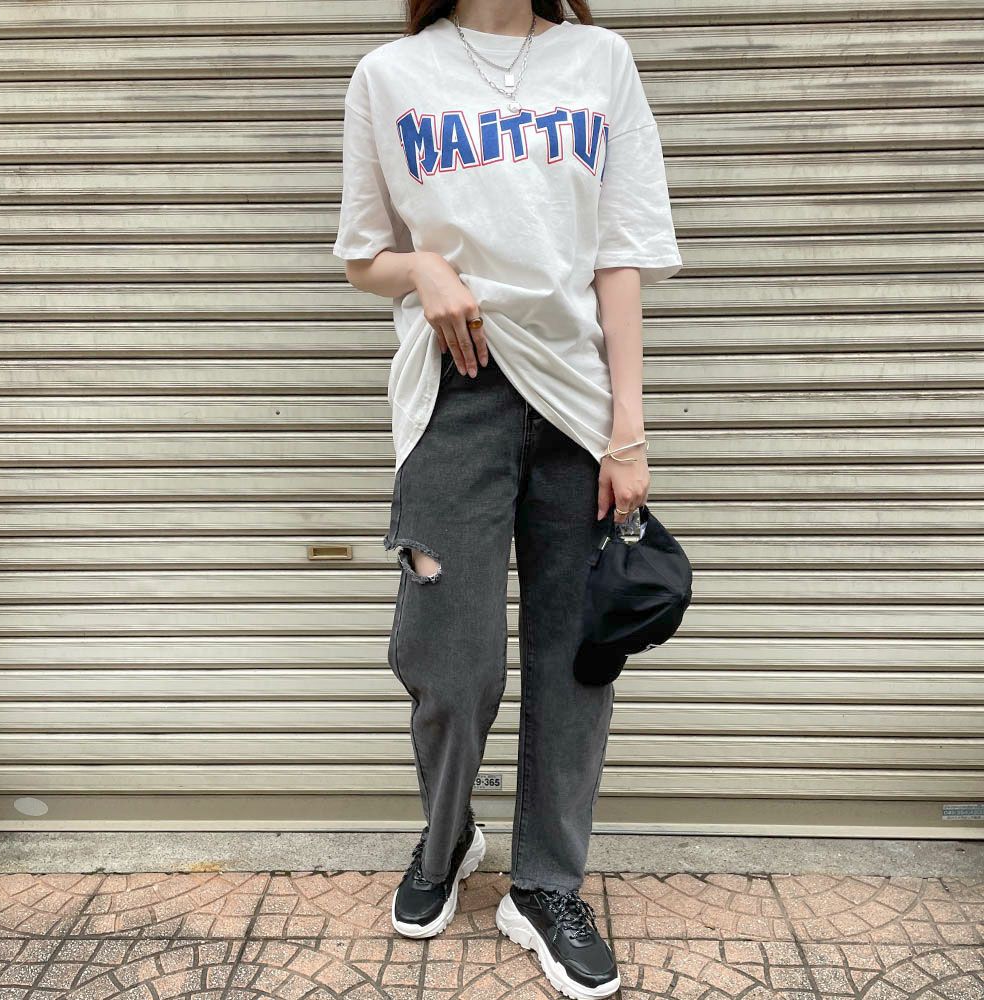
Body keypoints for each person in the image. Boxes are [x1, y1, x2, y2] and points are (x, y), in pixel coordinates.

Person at [333, 1, 682, 996]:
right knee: (449, 660)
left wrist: (627, 426)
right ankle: (447, 839)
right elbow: (361, 257)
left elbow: (620, 251)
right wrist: (421, 267)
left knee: (577, 660)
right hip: (453, 393)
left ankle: (545, 885)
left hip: (576, 403)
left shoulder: (599, 60)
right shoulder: (389, 75)